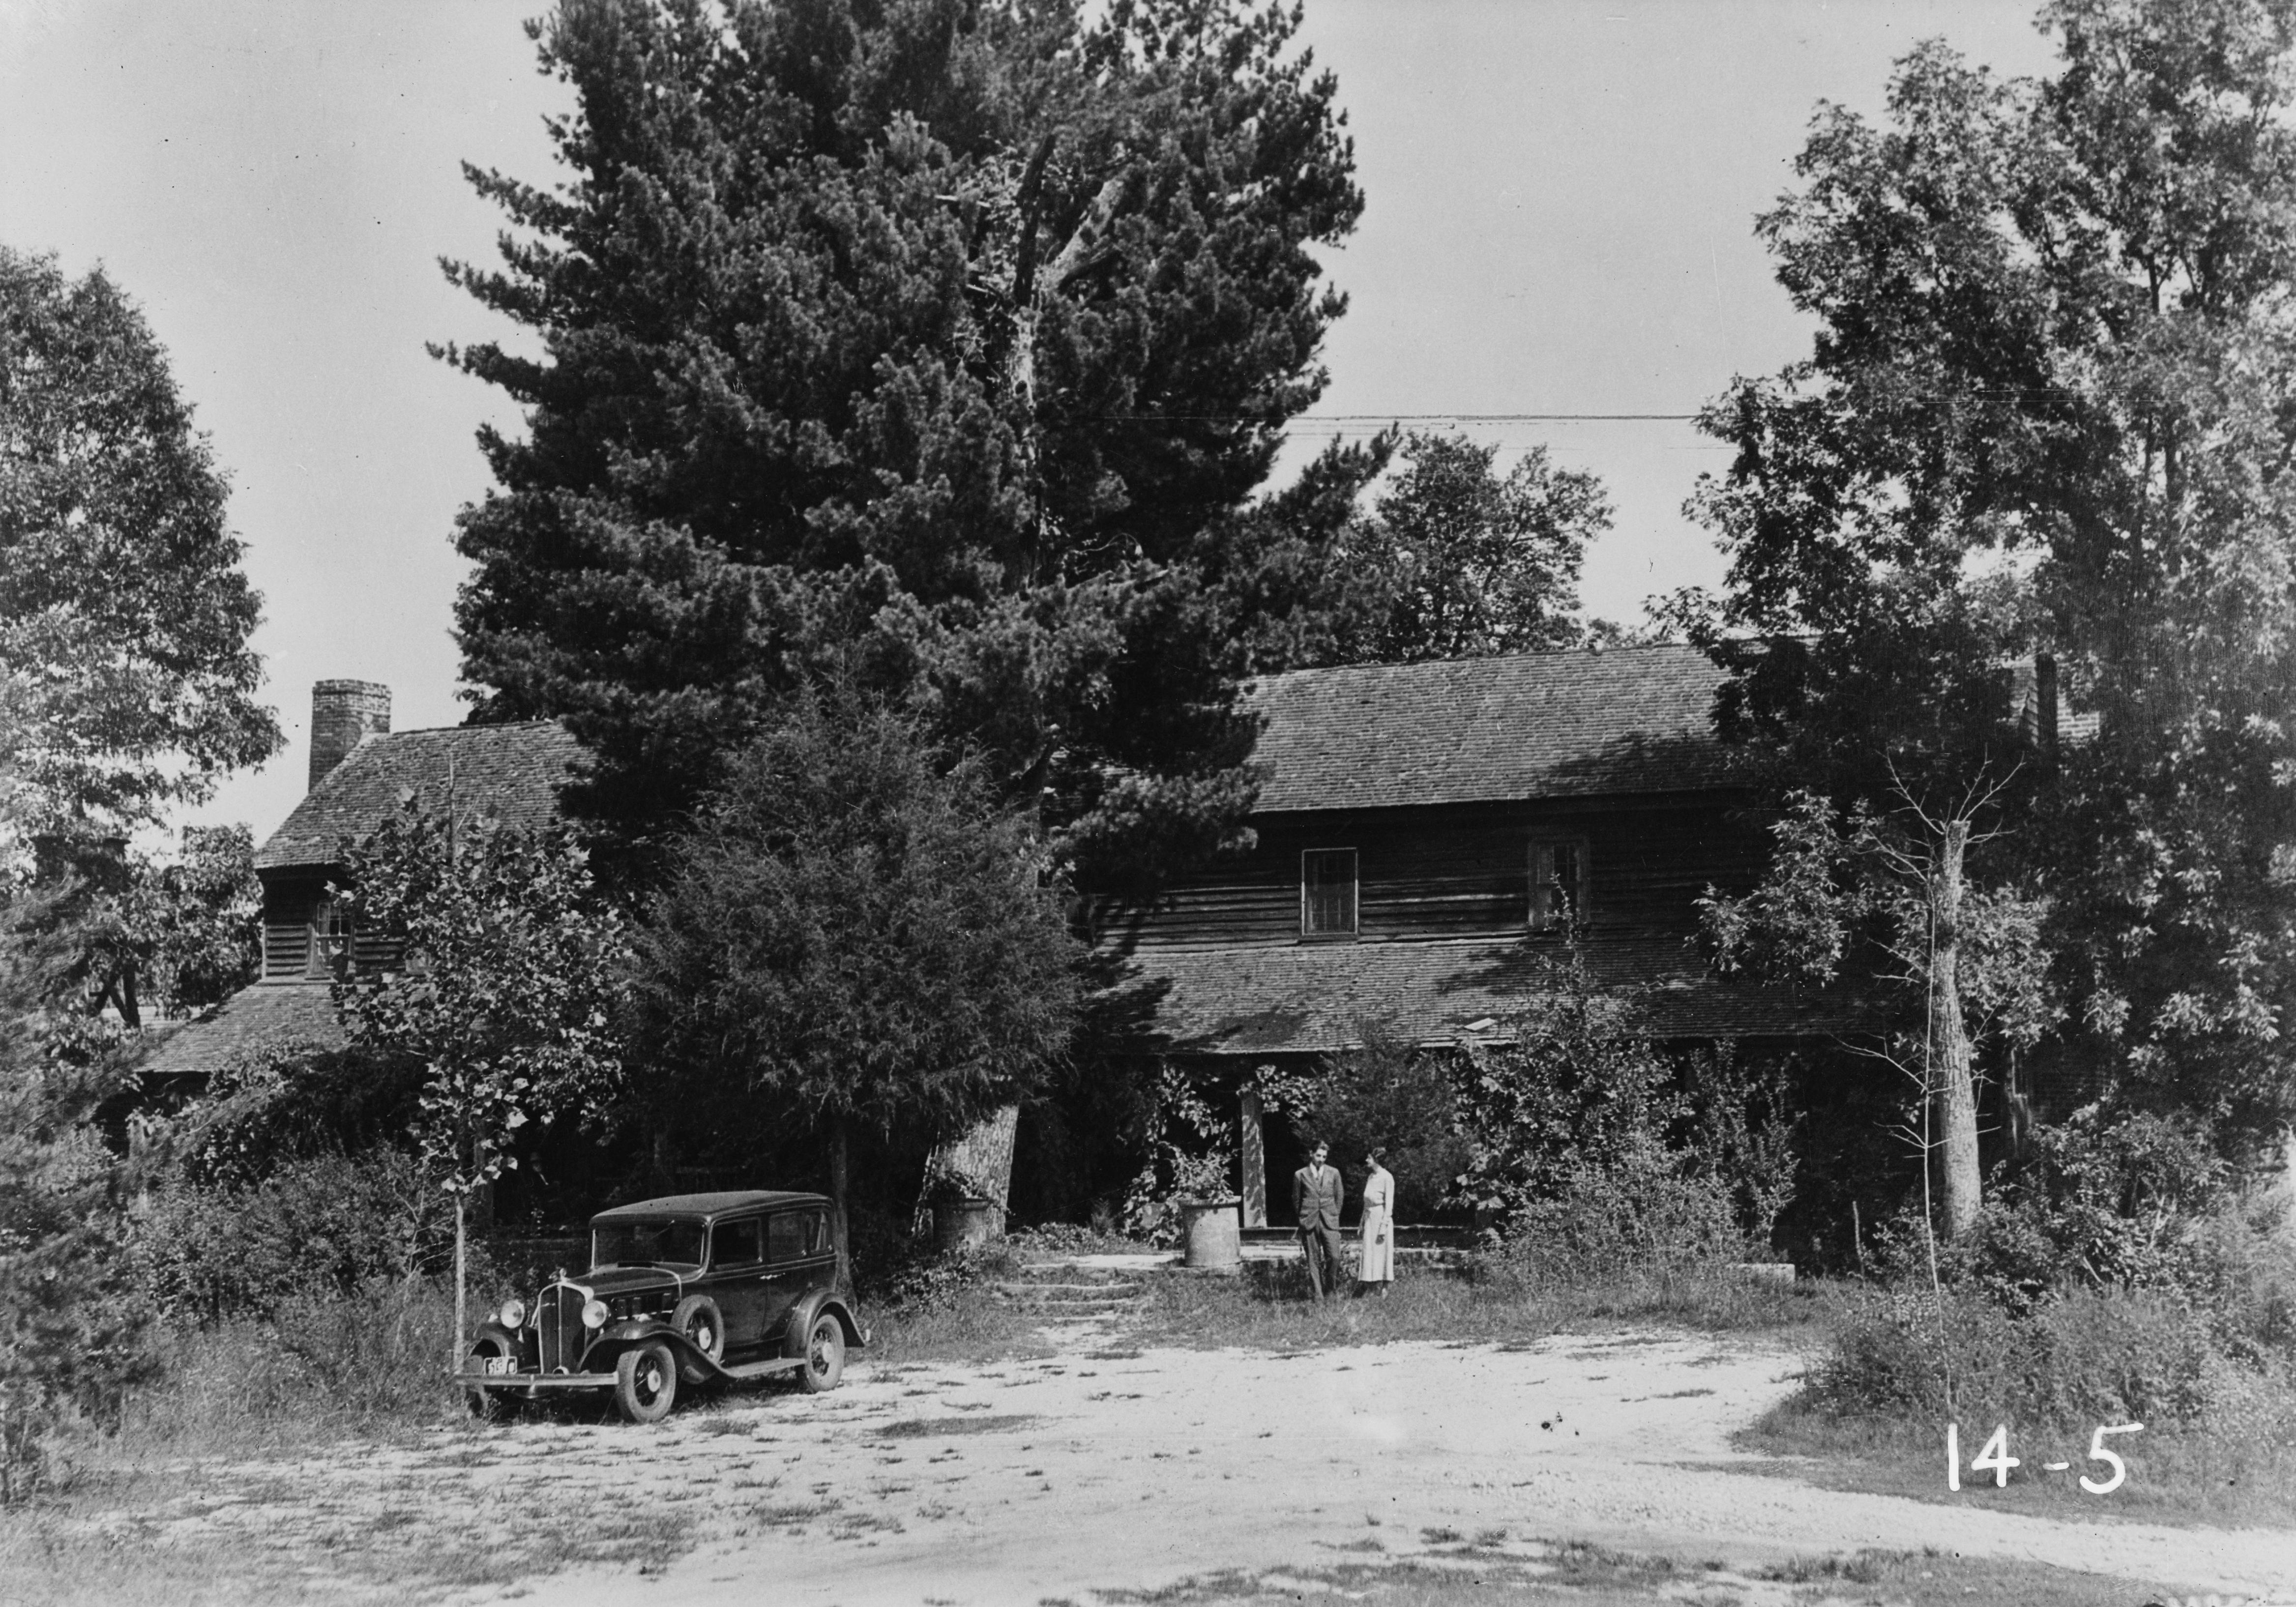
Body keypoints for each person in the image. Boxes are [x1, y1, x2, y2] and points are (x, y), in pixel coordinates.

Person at [1293, 1140, 1346, 1300]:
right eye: (1318, 1155)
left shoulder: (1334, 1173)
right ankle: (1318, 1295)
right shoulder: (1300, 1175)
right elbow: (1297, 1200)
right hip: (1309, 1221)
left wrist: (1334, 1214)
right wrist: (1303, 1217)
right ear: (1311, 1154)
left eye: (1324, 1156)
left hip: (1329, 1220)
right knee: (1313, 1259)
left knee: (1334, 1257)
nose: (1321, 1159)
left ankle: (1330, 1289)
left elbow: (1339, 1196)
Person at [1356, 1147, 1395, 1297]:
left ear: (1377, 1159)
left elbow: (1389, 1204)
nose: (1367, 1160)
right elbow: (1367, 1204)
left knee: (1382, 1253)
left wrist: (1383, 1227)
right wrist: (1361, 1224)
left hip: (1381, 1219)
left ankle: (1385, 1288)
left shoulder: (1387, 1177)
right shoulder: (1371, 1177)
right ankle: (1371, 1287)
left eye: (1369, 1158)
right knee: (1370, 1253)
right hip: (1369, 1219)